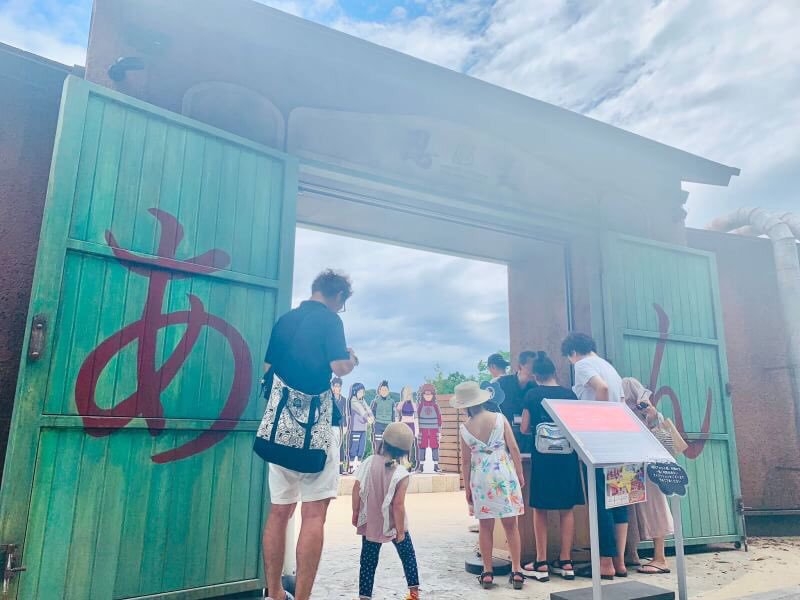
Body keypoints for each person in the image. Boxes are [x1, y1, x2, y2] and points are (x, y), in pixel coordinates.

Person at [261, 269, 359, 600]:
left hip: (280, 429)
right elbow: (339, 366)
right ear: (338, 296)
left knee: (279, 512)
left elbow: (267, 369)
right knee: (314, 514)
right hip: (318, 430)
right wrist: (352, 359)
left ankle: (275, 593)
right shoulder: (330, 320)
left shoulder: (284, 321)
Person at [561, 332, 628, 580]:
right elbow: (621, 400)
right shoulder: (610, 368)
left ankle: (605, 564)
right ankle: (620, 562)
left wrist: (598, 425)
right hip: (619, 439)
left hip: (601, 442)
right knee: (618, 499)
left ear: (572, 352)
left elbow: (602, 388)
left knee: (600, 501)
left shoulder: (583, 365)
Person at [454, 381, 526, 590]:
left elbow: (465, 461)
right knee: (511, 525)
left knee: (485, 527)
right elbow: (514, 448)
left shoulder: (464, 428)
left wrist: (467, 487)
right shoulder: (499, 419)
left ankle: (487, 572)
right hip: (503, 473)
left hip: (480, 478)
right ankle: (517, 571)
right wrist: (519, 473)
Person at [520, 351, 585, 582]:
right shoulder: (569, 395)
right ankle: (566, 561)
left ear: (535, 375)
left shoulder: (532, 395)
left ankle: (541, 562)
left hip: (543, 459)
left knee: (540, 508)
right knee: (566, 509)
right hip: (567, 459)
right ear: (554, 372)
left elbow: (525, 427)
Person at [352, 422, 420, 600]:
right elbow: (398, 505)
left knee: (367, 562)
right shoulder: (401, 474)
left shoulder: (369, 462)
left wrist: (356, 512)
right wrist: (400, 532)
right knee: (408, 556)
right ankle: (414, 593)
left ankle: (364, 596)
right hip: (394, 524)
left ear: (383, 442)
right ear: (404, 452)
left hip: (371, 524)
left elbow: (356, 488)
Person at [622, 378, 675, 576]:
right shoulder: (641, 414)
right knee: (631, 509)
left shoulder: (648, 414)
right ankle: (632, 553)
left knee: (653, 508)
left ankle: (660, 558)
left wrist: (651, 416)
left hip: (649, 466)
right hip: (636, 464)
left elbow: (663, 441)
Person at [496, 351, 538, 454]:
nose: (535, 368)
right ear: (520, 366)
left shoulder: (536, 388)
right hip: (505, 438)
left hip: (528, 439)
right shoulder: (502, 383)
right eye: (532, 365)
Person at [415, 383, 443, 473]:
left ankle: (436, 465)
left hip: (434, 430)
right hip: (422, 430)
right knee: (421, 447)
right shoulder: (420, 406)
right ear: (422, 395)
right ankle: (421, 466)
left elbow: (439, 418)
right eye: (426, 394)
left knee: (435, 447)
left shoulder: (435, 406)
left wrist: (439, 431)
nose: (428, 396)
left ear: (433, 395)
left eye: (430, 394)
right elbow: (416, 418)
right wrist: (417, 430)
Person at [349, 383, 374, 471]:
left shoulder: (363, 400)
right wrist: (368, 418)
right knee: (354, 447)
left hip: (363, 428)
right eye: (359, 392)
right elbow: (361, 410)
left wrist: (372, 416)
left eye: (362, 392)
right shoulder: (353, 401)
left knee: (361, 447)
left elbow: (368, 409)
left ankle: (358, 466)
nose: (361, 394)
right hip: (355, 428)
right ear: (355, 392)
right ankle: (351, 466)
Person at [396, 386, 418, 469]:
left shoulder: (414, 405)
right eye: (407, 393)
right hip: (403, 425)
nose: (408, 395)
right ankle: (403, 461)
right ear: (404, 394)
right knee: (403, 444)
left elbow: (416, 418)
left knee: (410, 445)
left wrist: (417, 430)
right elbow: (397, 417)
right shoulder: (400, 404)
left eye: (410, 393)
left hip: (412, 426)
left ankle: (408, 462)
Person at [331, 377, 349, 474]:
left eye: (338, 386)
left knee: (341, 446)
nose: (336, 388)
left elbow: (344, 414)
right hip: (331, 425)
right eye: (335, 386)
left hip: (340, 426)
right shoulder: (329, 398)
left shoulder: (344, 400)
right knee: (331, 446)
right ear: (332, 387)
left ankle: (341, 468)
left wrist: (345, 425)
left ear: (340, 387)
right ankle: (331, 468)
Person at [371, 380, 396, 447]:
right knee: (378, 442)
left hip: (389, 425)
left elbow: (393, 414)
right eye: (382, 390)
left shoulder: (392, 402)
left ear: (388, 391)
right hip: (378, 424)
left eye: (385, 390)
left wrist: (393, 424)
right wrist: (373, 421)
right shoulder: (376, 401)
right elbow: (373, 412)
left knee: (388, 443)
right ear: (379, 391)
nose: (384, 391)